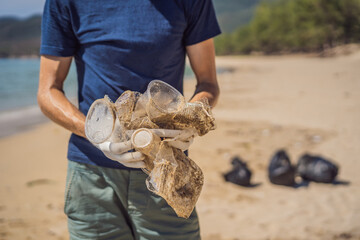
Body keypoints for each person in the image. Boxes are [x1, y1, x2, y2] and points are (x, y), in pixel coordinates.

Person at [38, 0, 221, 239]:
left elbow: (208, 83)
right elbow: (47, 91)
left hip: (167, 168)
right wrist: (96, 134)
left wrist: (190, 118)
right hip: (92, 177)